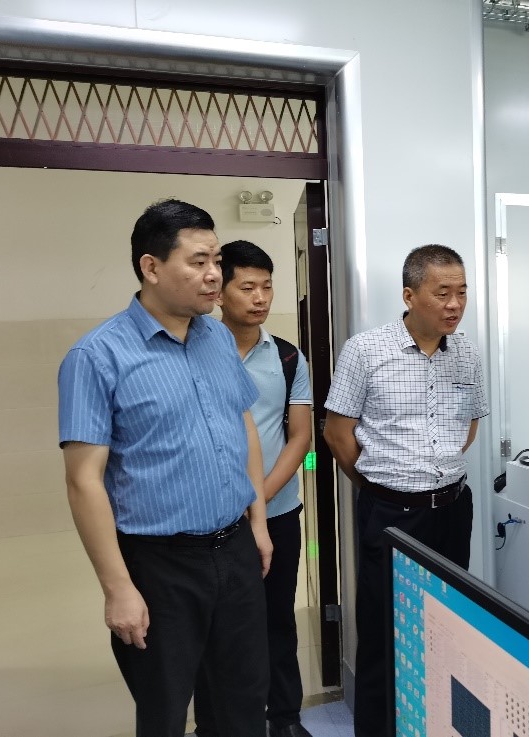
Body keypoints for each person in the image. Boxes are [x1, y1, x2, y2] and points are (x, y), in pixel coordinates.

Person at [58, 199, 272, 737]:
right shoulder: (97, 357)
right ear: (151, 267)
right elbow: (84, 481)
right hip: (159, 564)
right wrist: (117, 588)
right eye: (198, 262)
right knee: (164, 709)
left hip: (235, 549)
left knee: (243, 700)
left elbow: (243, 424)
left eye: (216, 260)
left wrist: (259, 522)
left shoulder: (217, 337)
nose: (214, 274)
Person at [323, 244, 488, 737]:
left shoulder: (468, 354)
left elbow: (469, 426)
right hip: (391, 515)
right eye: (443, 293)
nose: (455, 304)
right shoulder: (366, 350)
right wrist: (380, 486)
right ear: (409, 295)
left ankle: (437, 724)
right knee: (384, 631)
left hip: (452, 508)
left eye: (462, 293)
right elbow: (337, 433)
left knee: (448, 625)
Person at [193, 240, 314, 737]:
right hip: (211, 518)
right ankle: (214, 724)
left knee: (276, 618)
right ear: (220, 292)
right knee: (213, 626)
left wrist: (257, 498)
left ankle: (284, 717)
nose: (260, 297)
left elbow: (300, 436)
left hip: (278, 512)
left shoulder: (287, 358)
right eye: (247, 287)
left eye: (267, 287)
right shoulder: (193, 351)